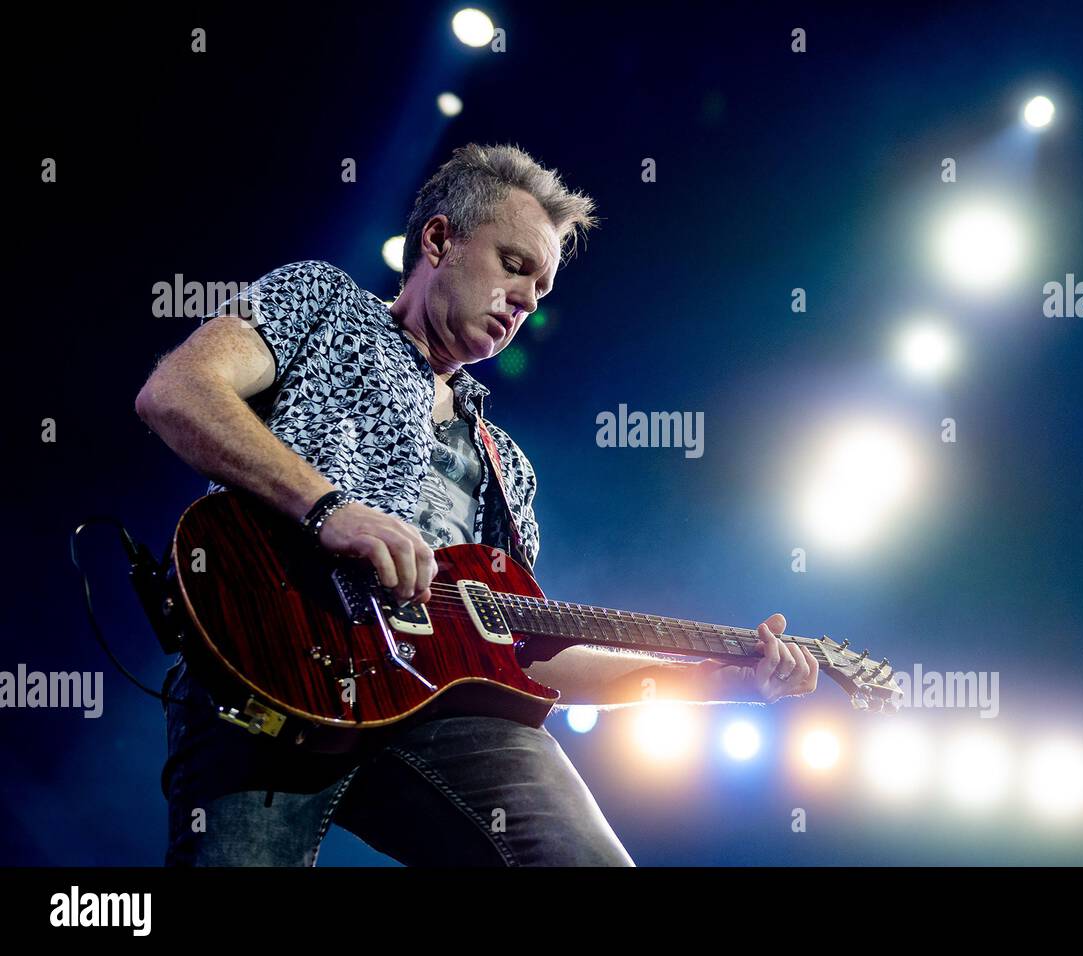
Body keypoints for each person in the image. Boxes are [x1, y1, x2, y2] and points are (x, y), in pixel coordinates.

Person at [135, 143, 819, 866]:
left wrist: (724, 679)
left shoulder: (509, 467)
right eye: (514, 265)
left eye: (542, 290)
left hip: (442, 711)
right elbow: (176, 393)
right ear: (438, 240)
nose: (525, 300)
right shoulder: (321, 301)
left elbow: (523, 660)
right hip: (266, 660)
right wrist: (328, 508)